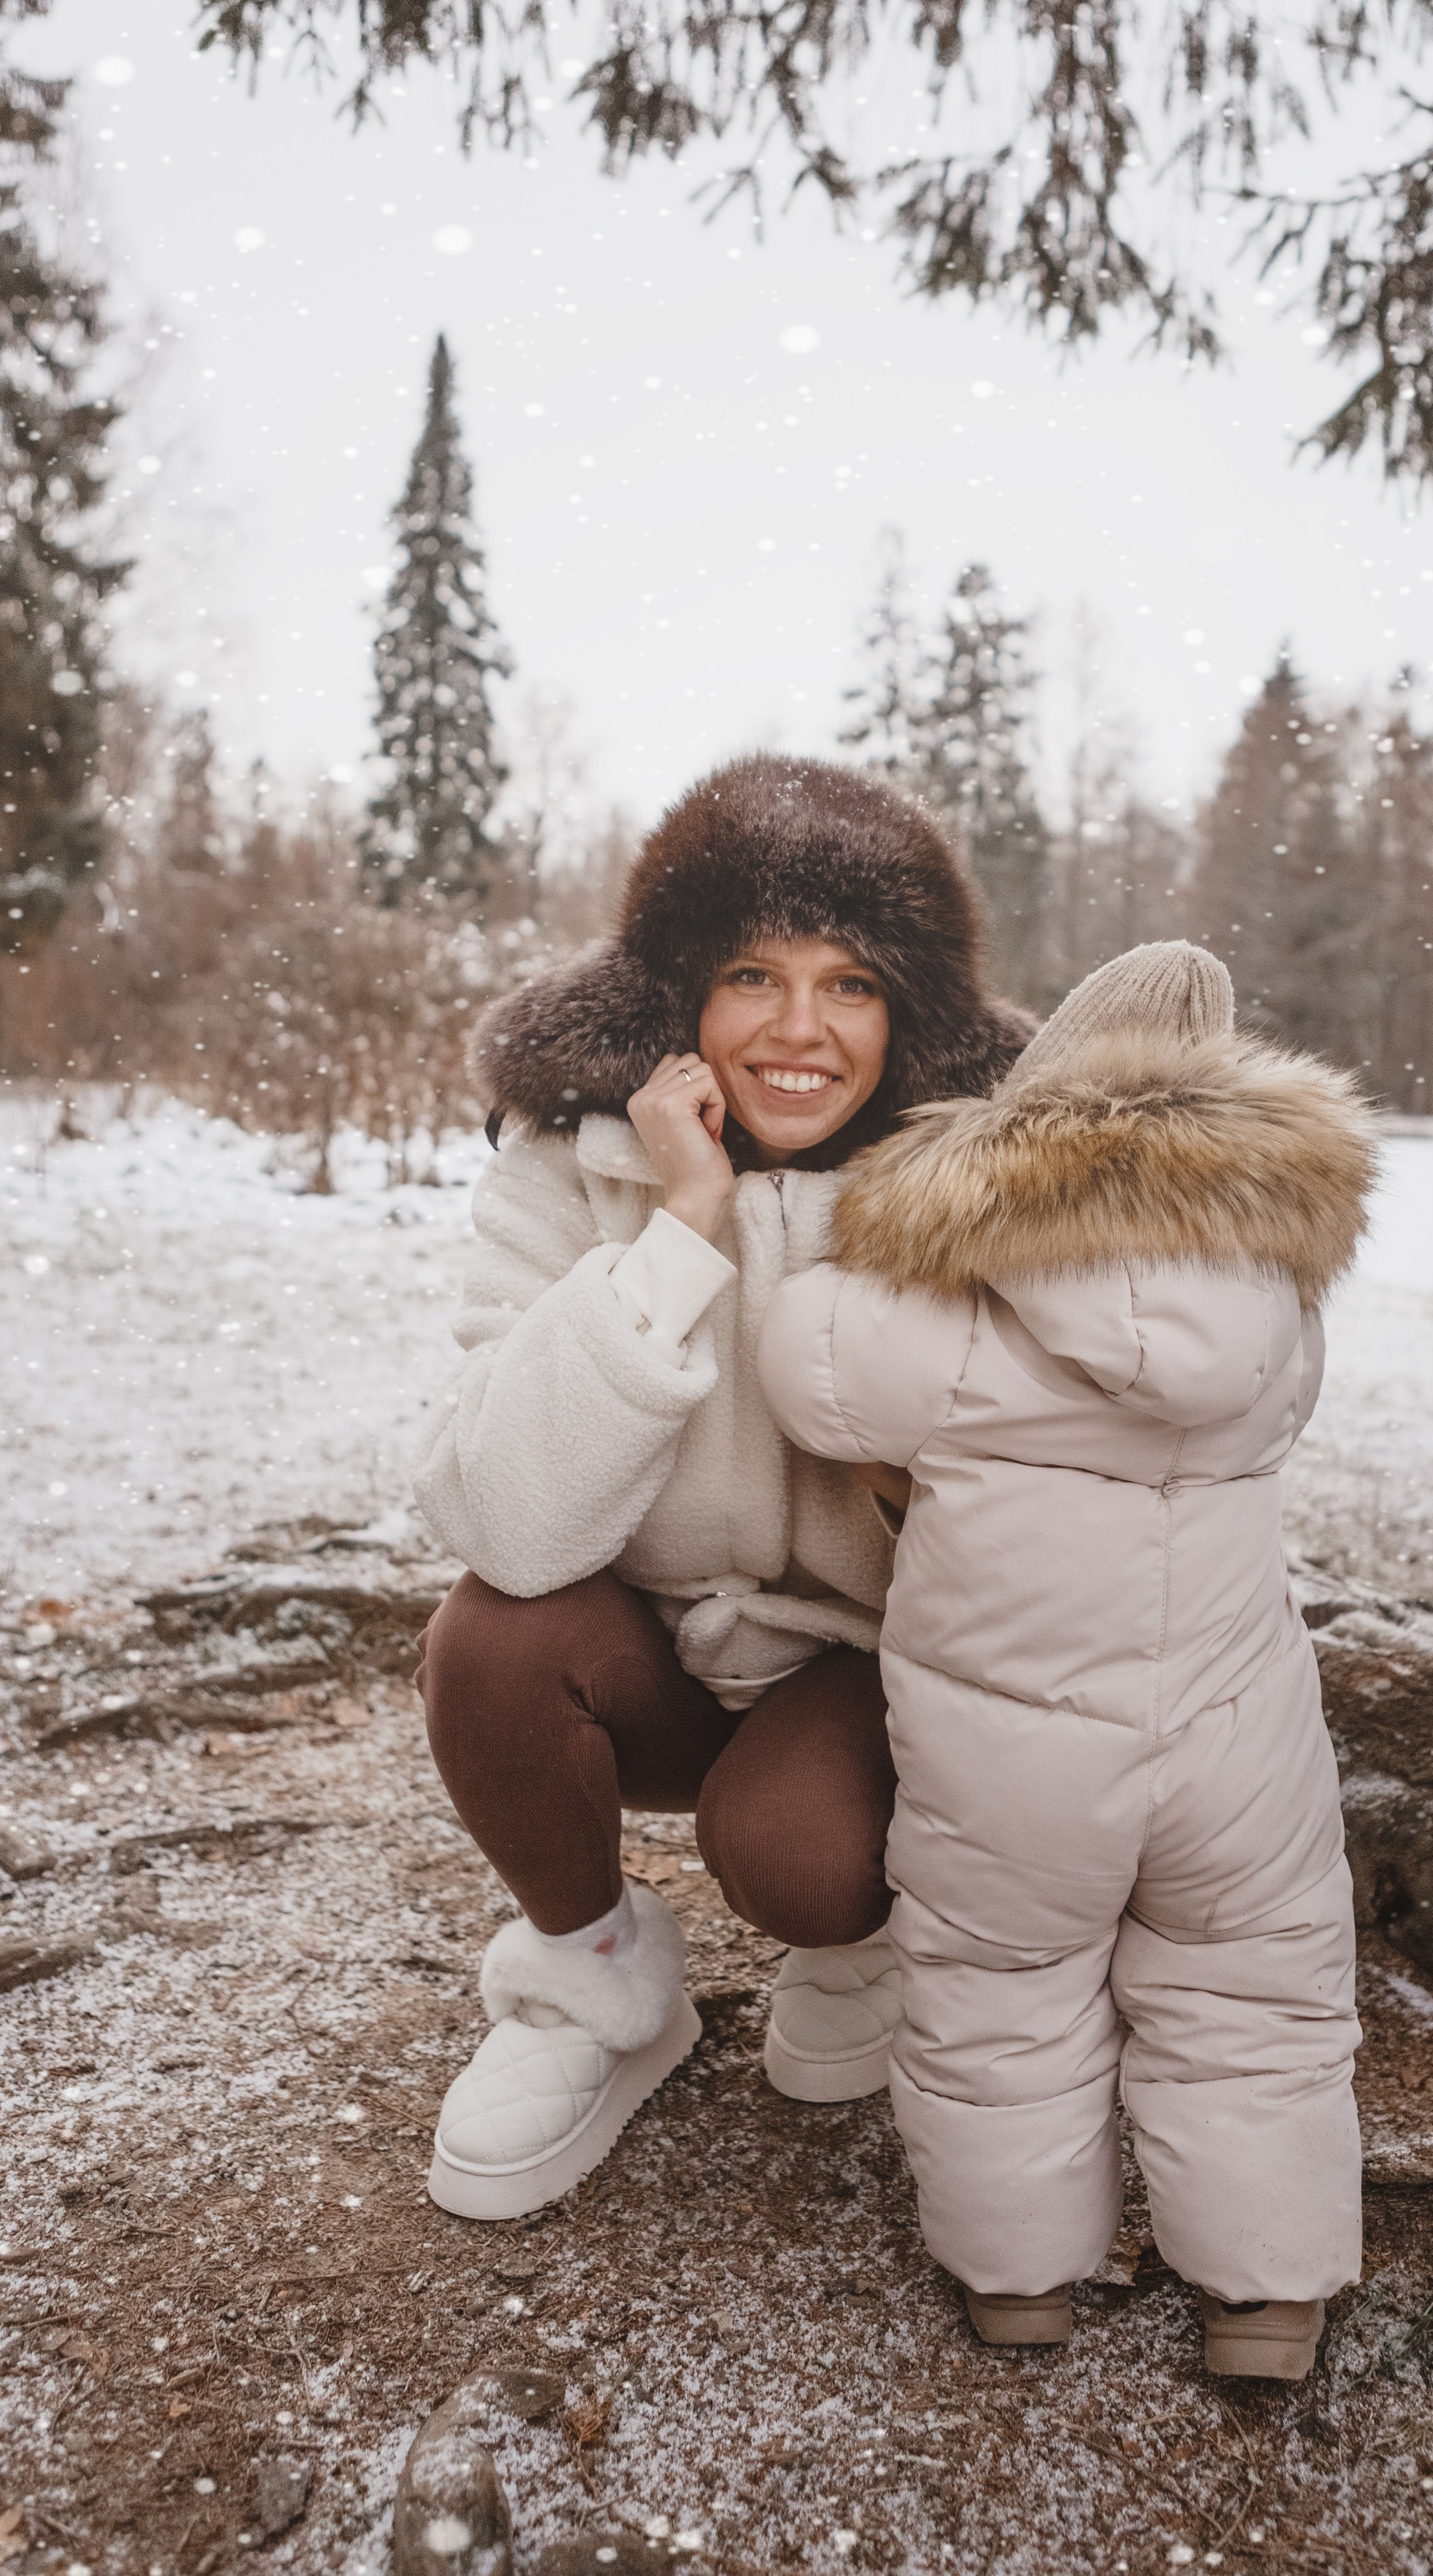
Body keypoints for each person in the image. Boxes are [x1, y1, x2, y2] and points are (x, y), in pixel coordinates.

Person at [411, 752, 1029, 2219]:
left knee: (800, 1858)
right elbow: (502, 1513)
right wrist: (682, 1230)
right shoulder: (570, 1165)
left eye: (851, 981)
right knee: (489, 1637)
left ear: (909, 1012)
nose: (800, 1029)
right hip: (646, 1654)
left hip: (870, 1676)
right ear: (681, 994)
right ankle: (598, 1983)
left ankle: (862, 1931)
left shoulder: (984, 1185)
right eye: (753, 973)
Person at [758, 941, 1376, 2377]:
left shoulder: (946, 1320)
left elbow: (807, 1359)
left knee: (997, 1986)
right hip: (1238, 1736)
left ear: (1033, 1121)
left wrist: (888, 1235)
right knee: (1253, 1990)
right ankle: (1265, 2298)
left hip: (1009, 1756)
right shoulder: (1280, 1309)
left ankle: (1017, 2277)